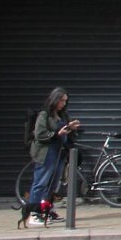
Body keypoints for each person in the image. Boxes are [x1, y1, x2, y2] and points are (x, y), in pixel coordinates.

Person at [26, 88, 81, 227]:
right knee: (40, 183)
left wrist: (70, 128)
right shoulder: (44, 115)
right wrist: (57, 134)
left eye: (65, 101)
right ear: (54, 99)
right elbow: (40, 134)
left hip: (59, 153)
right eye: (61, 100)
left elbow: (64, 131)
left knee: (52, 184)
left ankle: (47, 210)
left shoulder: (62, 115)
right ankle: (34, 213)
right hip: (46, 152)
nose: (63, 103)